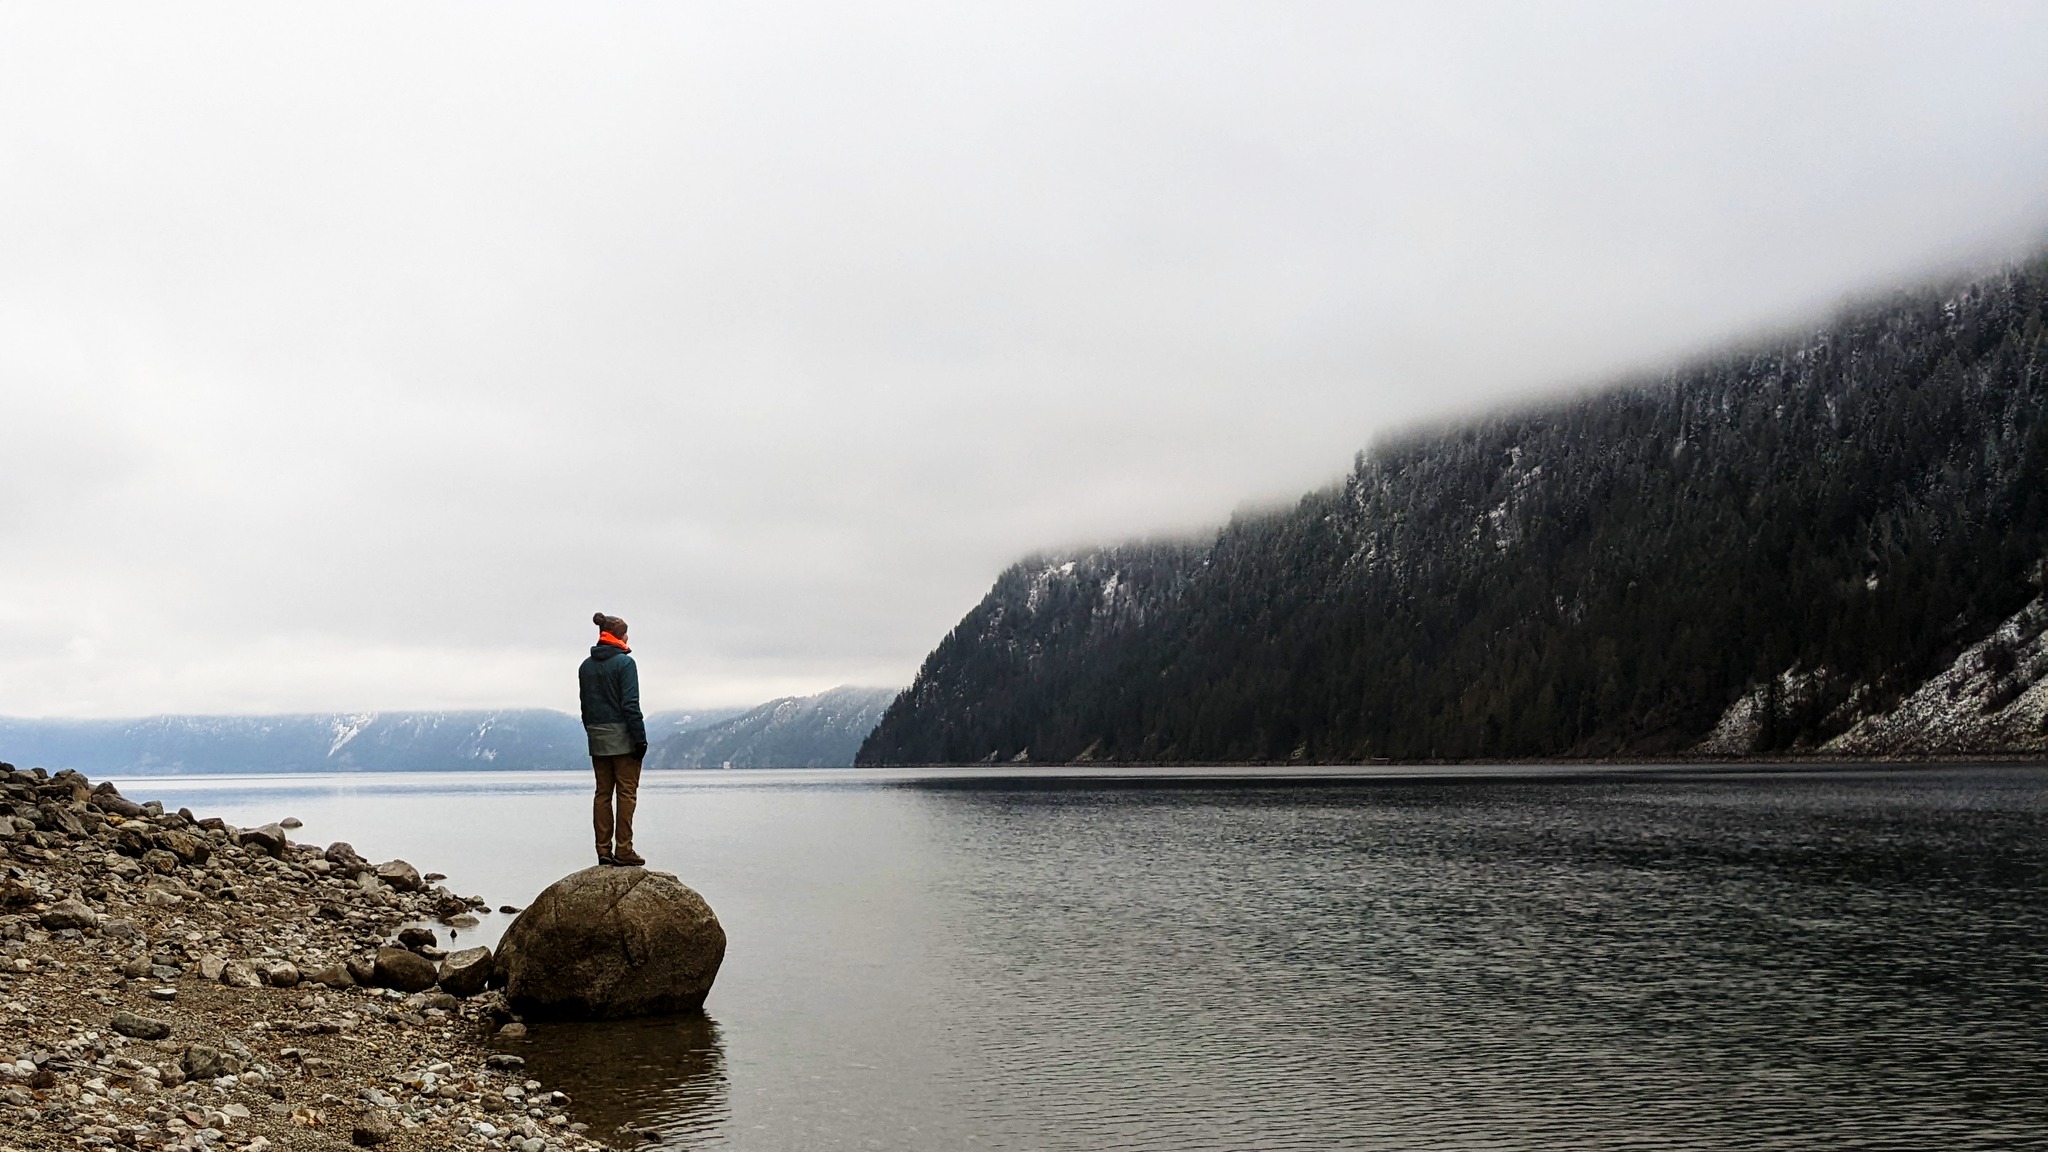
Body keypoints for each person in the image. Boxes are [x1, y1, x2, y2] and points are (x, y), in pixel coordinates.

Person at [579, 611, 647, 867]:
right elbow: (630, 704)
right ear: (620, 636)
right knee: (627, 794)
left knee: (603, 794)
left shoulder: (585, 666)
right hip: (623, 738)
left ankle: (603, 851)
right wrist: (639, 739)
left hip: (597, 739)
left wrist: (592, 733)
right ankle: (624, 850)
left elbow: (585, 707)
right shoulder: (625, 664)